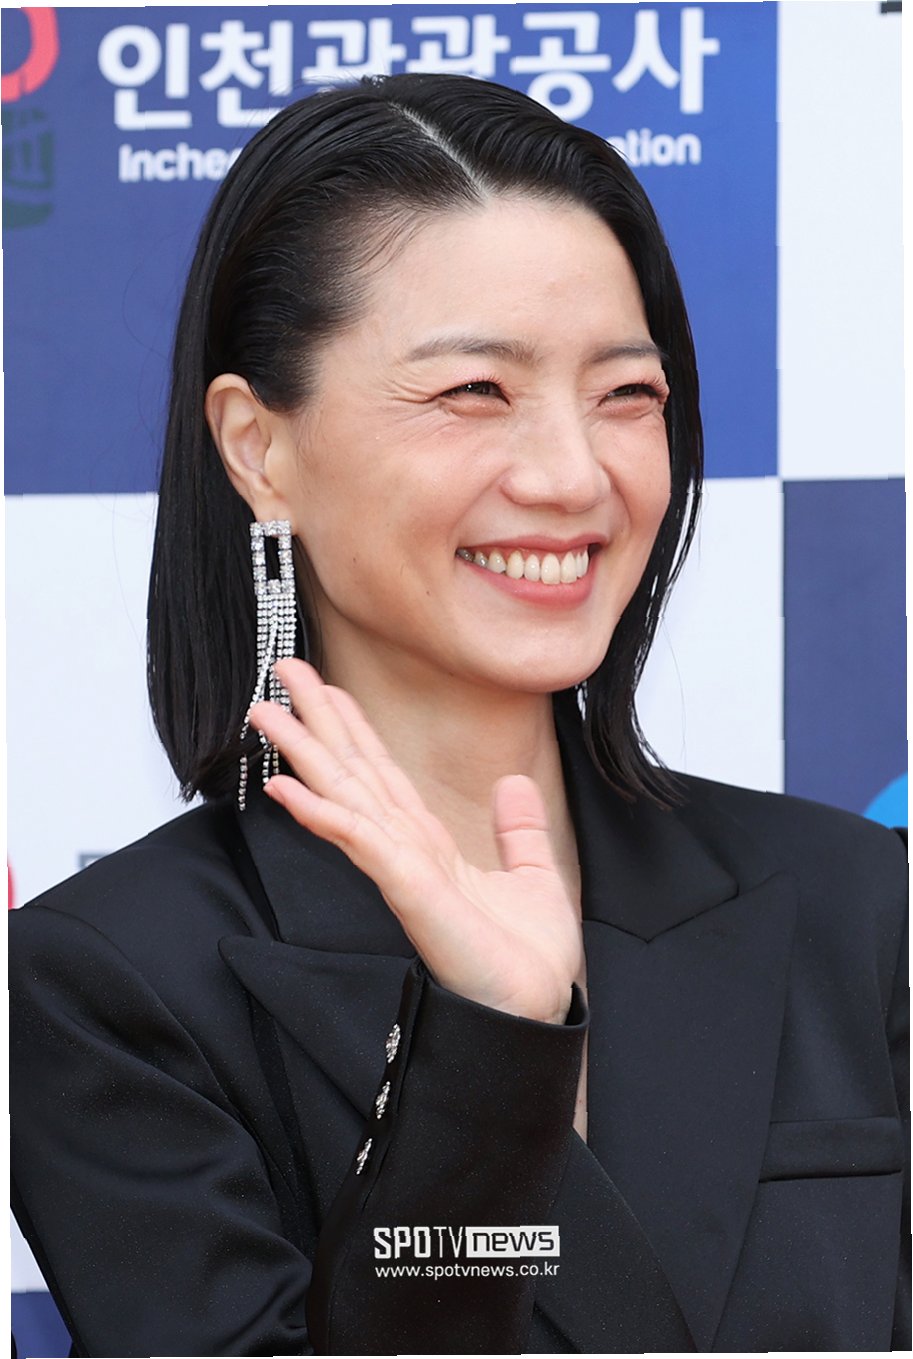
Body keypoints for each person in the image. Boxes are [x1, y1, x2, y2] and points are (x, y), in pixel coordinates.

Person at [10, 72, 908, 1357]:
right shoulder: (114, 983)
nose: (571, 475)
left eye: (626, 394)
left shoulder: (856, 902)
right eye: (475, 391)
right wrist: (490, 1053)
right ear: (258, 447)